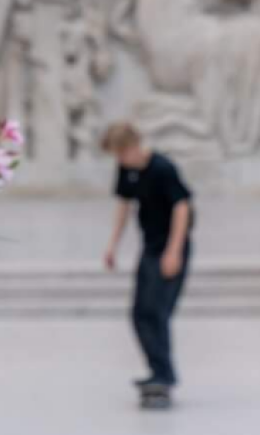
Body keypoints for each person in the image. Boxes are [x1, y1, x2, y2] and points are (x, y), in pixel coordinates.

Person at [102, 122, 194, 392]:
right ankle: (157, 370)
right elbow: (124, 205)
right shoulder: (127, 169)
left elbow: (182, 207)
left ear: (131, 147)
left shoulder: (163, 168)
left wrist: (174, 252)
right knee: (139, 313)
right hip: (150, 247)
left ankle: (164, 375)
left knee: (156, 312)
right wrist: (112, 246)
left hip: (171, 247)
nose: (119, 161)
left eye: (120, 154)